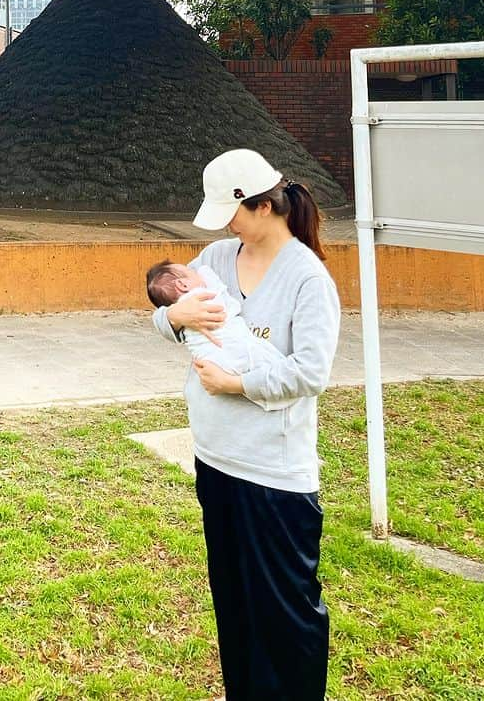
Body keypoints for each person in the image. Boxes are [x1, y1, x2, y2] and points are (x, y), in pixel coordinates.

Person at [151, 148, 341, 701]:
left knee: (286, 617)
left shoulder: (307, 279)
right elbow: (170, 315)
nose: (225, 227)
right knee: (234, 606)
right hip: (216, 460)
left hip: (274, 475)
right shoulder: (214, 257)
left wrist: (237, 385)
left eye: (230, 213)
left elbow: (310, 373)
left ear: (261, 205)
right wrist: (170, 317)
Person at [145, 261, 293, 406]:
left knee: (260, 369)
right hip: (229, 351)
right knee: (267, 364)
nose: (196, 271)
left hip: (214, 360)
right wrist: (174, 315)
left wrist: (230, 383)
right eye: (192, 272)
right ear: (182, 285)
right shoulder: (201, 293)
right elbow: (161, 317)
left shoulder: (300, 267)